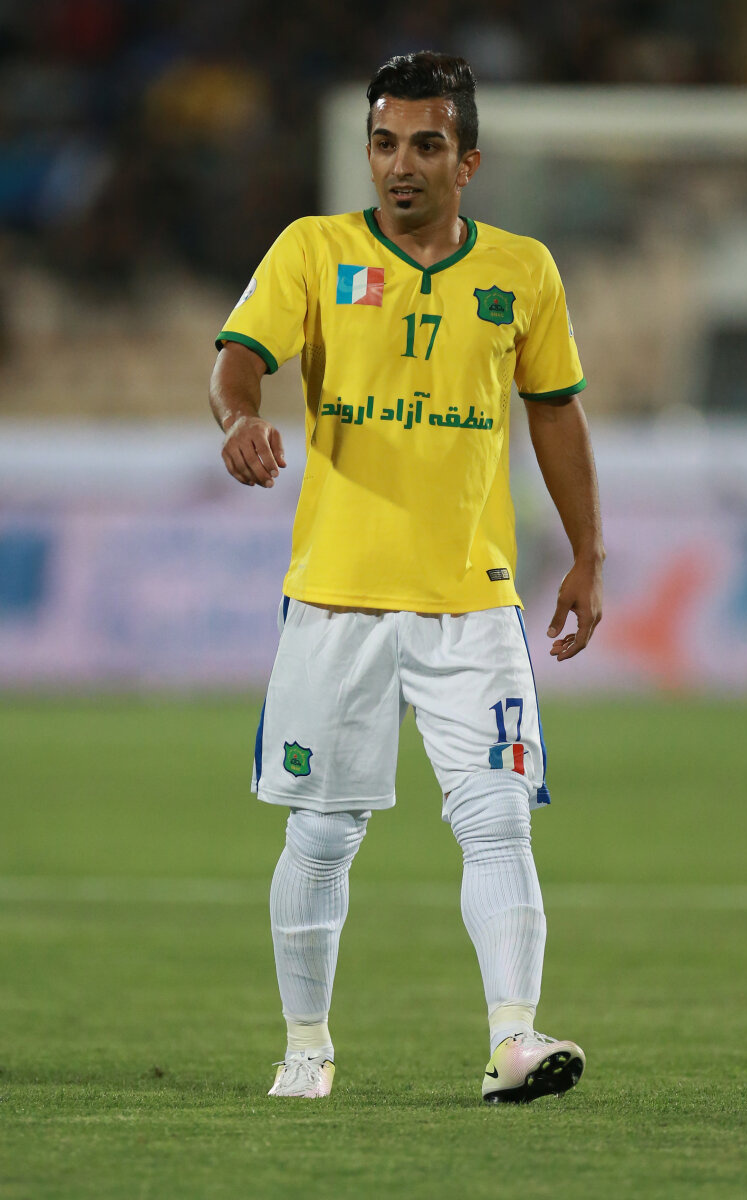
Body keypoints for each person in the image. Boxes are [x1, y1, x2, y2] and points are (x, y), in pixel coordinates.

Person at [209, 51, 604, 1104]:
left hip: (472, 600)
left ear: (466, 161)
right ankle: (306, 1048)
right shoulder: (313, 249)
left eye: (426, 144)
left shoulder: (522, 270)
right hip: (336, 596)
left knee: (498, 816)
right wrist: (239, 417)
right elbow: (237, 358)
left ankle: (513, 1040)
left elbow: (555, 412)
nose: (400, 163)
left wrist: (587, 553)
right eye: (384, 142)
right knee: (322, 831)